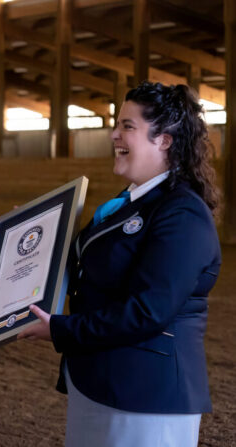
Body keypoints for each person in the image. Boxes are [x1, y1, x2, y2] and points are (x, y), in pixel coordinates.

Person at [20, 81, 221, 447]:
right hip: (99, 382)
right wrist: (19, 246)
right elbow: (92, 265)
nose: (114, 134)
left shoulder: (182, 213)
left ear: (164, 140)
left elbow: (150, 310)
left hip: (148, 397)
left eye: (127, 126)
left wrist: (63, 330)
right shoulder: (130, 202)